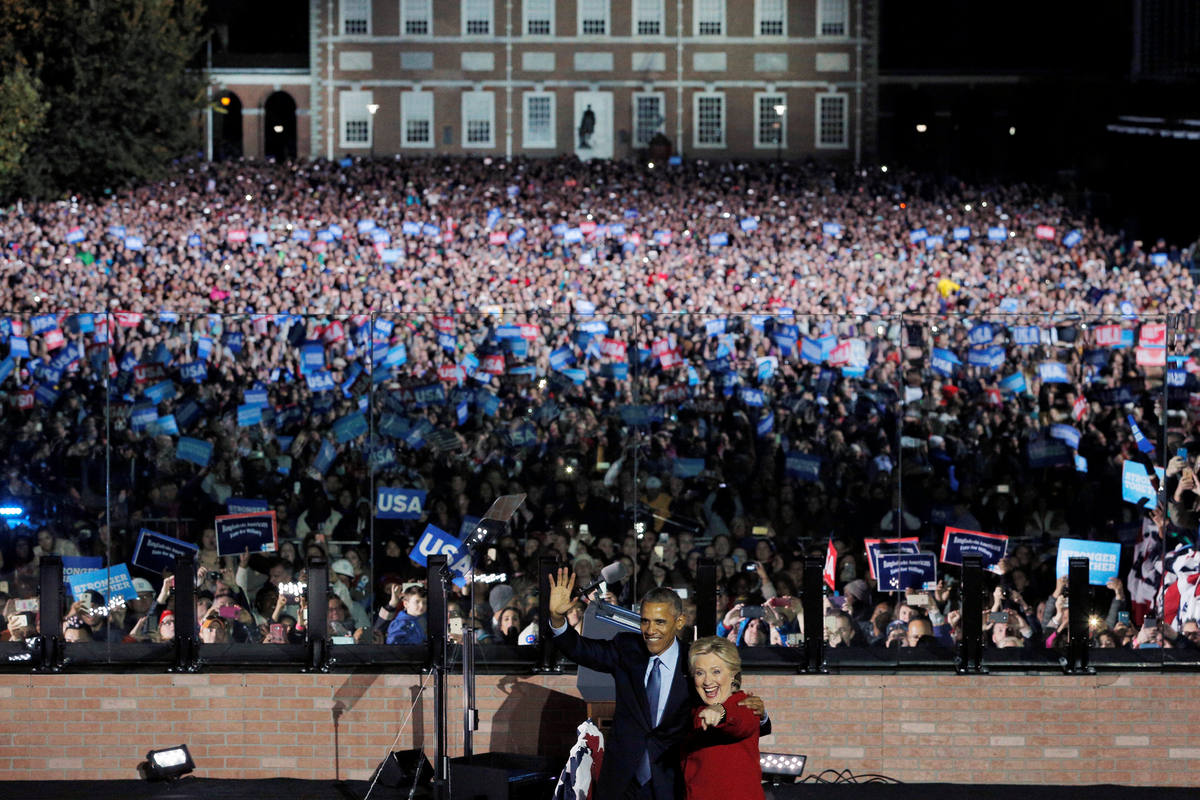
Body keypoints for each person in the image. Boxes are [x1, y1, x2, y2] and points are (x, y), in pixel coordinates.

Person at [547, 567, 769, 800]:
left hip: (672, 780)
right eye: (645, 621)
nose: (651, 630)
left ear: (679, 621)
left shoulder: (693, 663)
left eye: (660, 622)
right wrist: (557, 618)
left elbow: (730, 706)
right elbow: (582, 650)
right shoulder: (627, 648)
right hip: (623, 781)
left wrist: (757, 714)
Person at [681, 636, 763, 800]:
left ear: (733, 675)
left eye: (716, 671)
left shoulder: (746, 705)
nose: (707, 681)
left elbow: (740, 720)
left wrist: (721, 711)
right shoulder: (694, 710)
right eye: (700, 673)